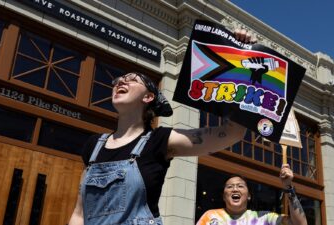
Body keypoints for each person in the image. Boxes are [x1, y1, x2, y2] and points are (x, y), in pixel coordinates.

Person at [68, 31, 253, 225]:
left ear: (148, 97)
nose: (121, 81)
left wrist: (239, 55)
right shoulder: (94, 146)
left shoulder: (159, 140)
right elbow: (79, 214)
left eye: (132, 79)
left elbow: (232, 133)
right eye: (119, 80)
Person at [196, 164, 308, 225]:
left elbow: (300, 224)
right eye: (230, 187)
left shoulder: (264, 218)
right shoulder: (210, 216)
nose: (235, 189)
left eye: (240, 186)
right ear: (224, 196)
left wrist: (288, 187)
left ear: (249, 196)